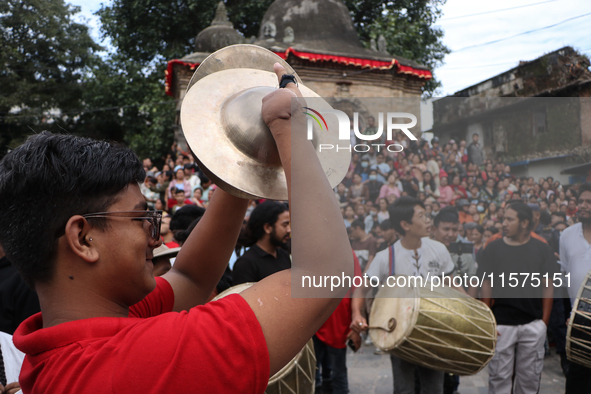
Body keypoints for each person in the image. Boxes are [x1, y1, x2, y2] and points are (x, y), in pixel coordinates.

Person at [0, 65, 353, 393]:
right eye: (141, 219)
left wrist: (248, 156)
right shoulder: (140, 362)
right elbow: (324, 276)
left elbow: (192, 277)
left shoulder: (65, 347)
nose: (154, 237)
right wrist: (287, 123)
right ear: (83, 238)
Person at [351, 196, 457, 394]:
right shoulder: (385, 257)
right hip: (399, 335)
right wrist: (357, 314)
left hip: (434, 330)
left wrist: (479, 310)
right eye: (421, 216)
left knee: (434, 389)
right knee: (403, 390)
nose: (428, 220)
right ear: (405, 224)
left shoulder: (439, 249)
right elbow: (361, 288)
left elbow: (453, 285)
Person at [480, 202, 556, 394]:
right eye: (503, 218)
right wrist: (487, 319)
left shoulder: (542, 248)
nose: (503, 223)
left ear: (524, 222)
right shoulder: (493, 248)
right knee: (499, 381)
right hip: (501, 325)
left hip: (532, 323)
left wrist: (543, 323)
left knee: (529, 381)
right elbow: (486, 284)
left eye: (509, 219)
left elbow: (548, 286)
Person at [560, 183, 591, 393]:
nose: (583, 206)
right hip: (577, 317)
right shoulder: (567, 235)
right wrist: (568, 314)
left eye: (589, 202)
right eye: (581, 201)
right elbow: (564, 277)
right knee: (577, 377)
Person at [232, 201, 291, 285]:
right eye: (285, 225)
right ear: (267, 228)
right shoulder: (246, 263)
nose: (289, 230)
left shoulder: (284, 255)